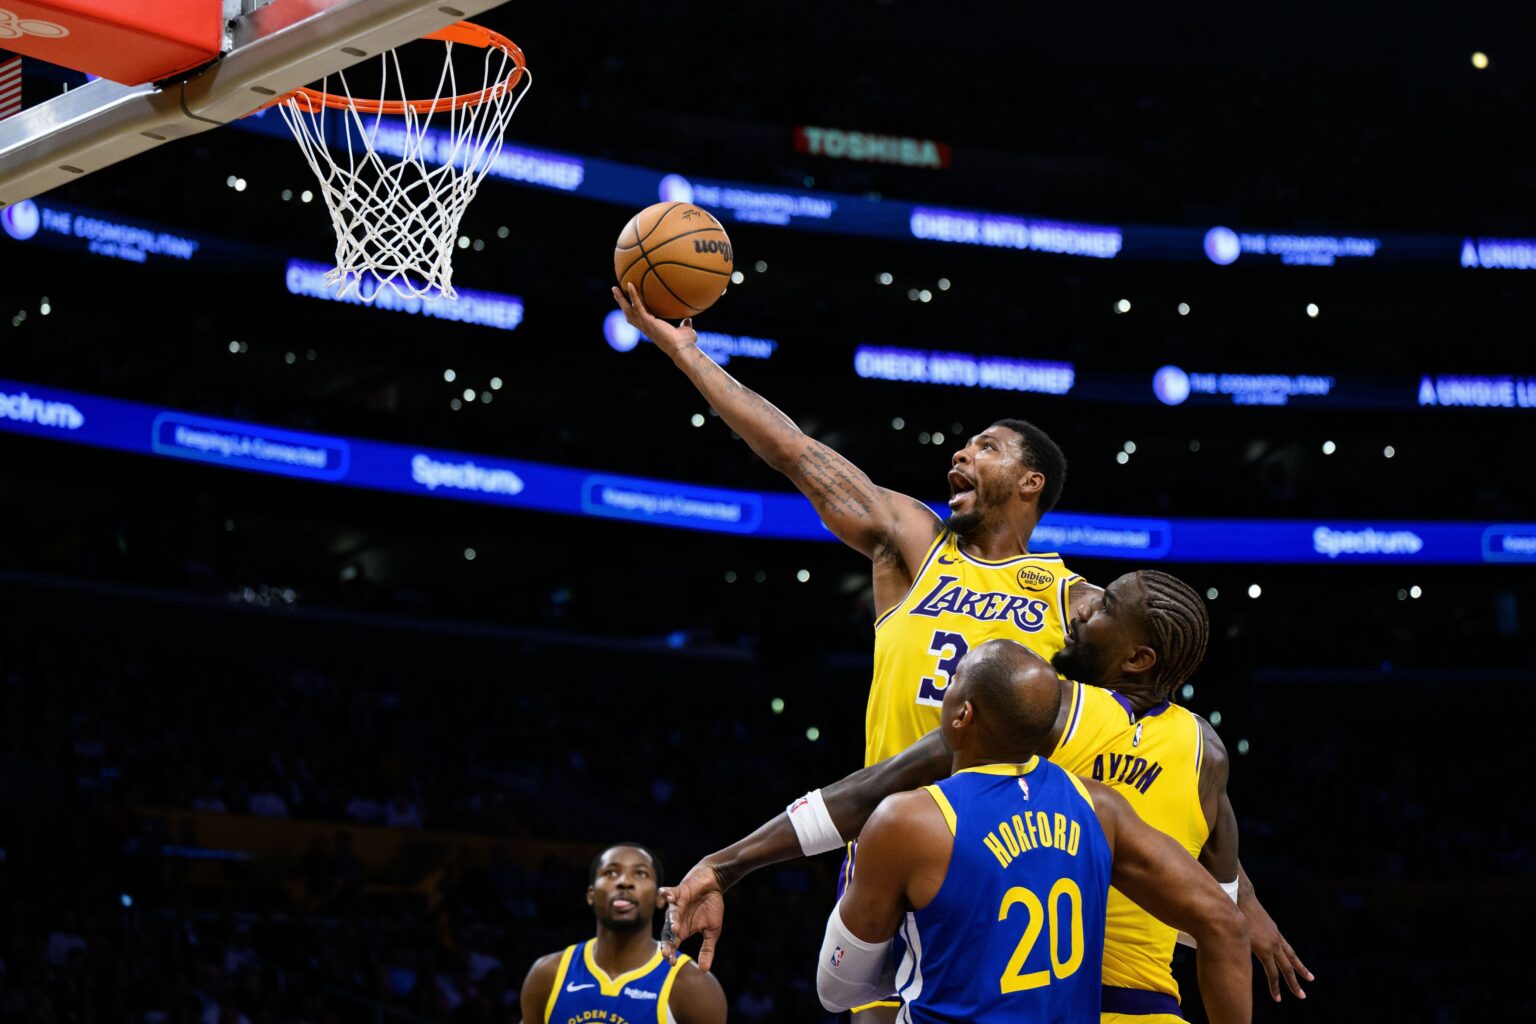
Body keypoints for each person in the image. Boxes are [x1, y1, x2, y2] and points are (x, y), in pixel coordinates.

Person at [662, 571, 1312, 1019]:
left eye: (1106, 607)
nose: (1084, 609)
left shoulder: (1046, 707)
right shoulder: (1208, 751)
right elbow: (1219, 919)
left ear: (1136, 659)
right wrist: (1250, 913)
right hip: (1153, 1010)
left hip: (1023, 1004)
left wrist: (727, 863)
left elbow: (868, 792)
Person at [613, 283, 1087, 768]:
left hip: (1003, 834)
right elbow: (793, 450)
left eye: (987, 447)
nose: (962, 452)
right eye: (967, 444)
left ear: (1031, 482)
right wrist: (686, 355)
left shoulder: (1074, 601)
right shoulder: (917, 543)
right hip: (892, 825)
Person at [820, 640, 1251, 1024]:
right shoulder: (1099, 807)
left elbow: (837, 991)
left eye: (952, 683)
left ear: (962, 715)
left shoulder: (909, 821)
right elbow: (1225, 921)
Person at [519, 843, 726, 1024]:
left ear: (660, 898)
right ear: (591, 895)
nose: (624, 882)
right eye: (611, 873)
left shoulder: (694, 986)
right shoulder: (548, 975)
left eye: (640, 873)